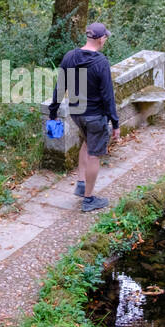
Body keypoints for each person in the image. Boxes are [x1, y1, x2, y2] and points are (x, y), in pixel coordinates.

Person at [48, 22, 119, 212]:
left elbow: (60, 87)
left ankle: (81, 184)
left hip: (77, 113)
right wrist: (115, 123)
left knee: (87, 143)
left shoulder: (70, 56)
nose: (105, 40)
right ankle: (88, 199)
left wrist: (53, 113)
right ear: (100, 39)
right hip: (95, 116)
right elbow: (108, 95)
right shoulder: (101, 62)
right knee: (94, 154)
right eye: (105, 37)